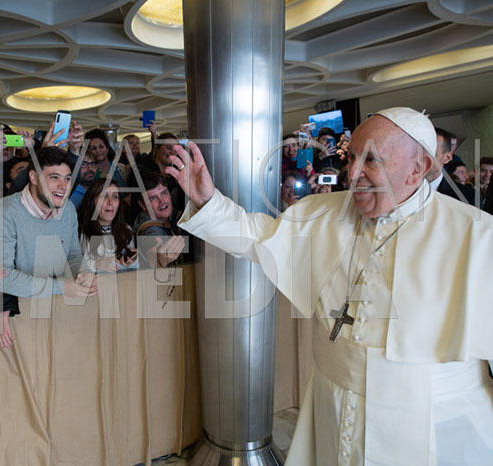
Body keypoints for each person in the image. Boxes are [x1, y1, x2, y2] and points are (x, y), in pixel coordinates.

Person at [166, 108, 493, 465]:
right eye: (351, 157)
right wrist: (208, 201)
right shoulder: (323, 212)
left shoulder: (477, 236)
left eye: (371, 160)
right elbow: (257, 238)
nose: (352, 173)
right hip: (333, 407)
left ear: (418, 168)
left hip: (435, 422)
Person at [0, 146, 97, 349]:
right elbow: (1, 277)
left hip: (61, 317)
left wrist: (85, 273)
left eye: (67, 178)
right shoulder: (3, 213)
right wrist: (62, 287)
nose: (63, 186)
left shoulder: (68, 209)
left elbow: (72, 255)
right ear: (34, 177)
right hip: (20, 321)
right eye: (54, 177)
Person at [77, 179, 137, 273]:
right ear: (92, 201)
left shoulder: (126, 230)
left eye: (115, 197)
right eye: (104, 196)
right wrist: (96, 265)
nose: (110, 202)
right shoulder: (78, 231)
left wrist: (133, 262)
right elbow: (69, 265)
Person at [133, 172, 185, 269]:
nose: (162, 201)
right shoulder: (149, 230)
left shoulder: (171, 214)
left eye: (164, 193)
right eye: (153, 198)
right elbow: (151, 246)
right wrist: (159, 261)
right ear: (143, 205)